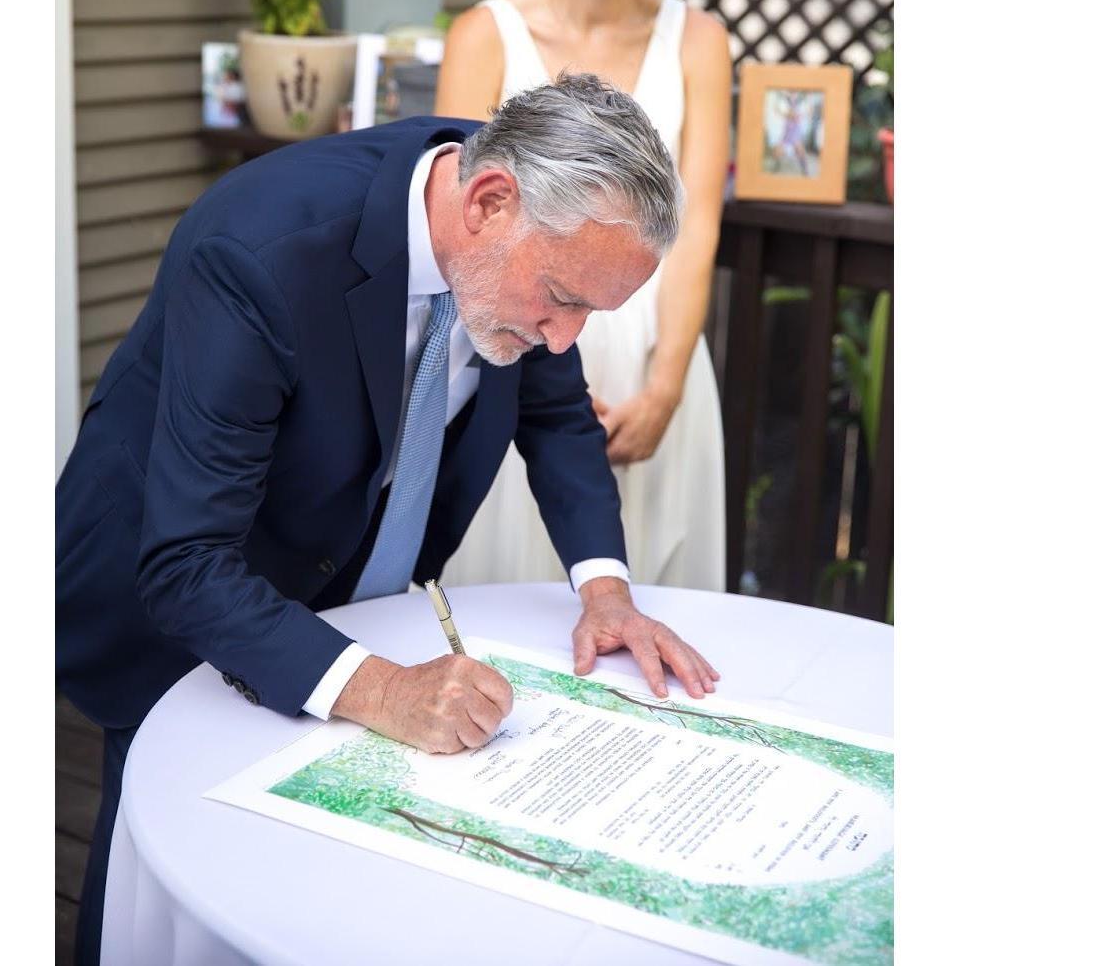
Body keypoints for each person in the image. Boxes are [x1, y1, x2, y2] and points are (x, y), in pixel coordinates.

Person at [56, 73, 720, 966]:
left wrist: (604, 589)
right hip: (165, 589)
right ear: (487, 203)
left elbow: (557, 413)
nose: (565, 339)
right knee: (171, 854)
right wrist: (382, 689)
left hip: (333, 576)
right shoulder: (260, 250)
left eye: (589, 315)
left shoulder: (527, 228)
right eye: (562, 300)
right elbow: (187, 562)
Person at [434, 0, 731, 593]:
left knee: (651, 598)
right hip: (515, 346)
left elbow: (697, 220)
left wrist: (665, 385)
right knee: (511, 586)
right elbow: (463, 216)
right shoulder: (485, 35)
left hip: (653, 349)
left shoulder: (698, 42)